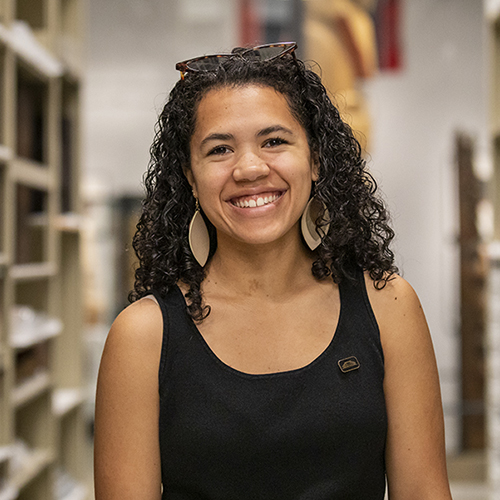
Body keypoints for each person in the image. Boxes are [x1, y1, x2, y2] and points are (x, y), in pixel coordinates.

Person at [94, 42, 453, 499]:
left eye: (274, 141)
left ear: (316, 158)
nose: (249, 168)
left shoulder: (389, 306)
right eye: (220, 149)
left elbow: (424, 491)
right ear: (190, 174)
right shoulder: (143, 335)